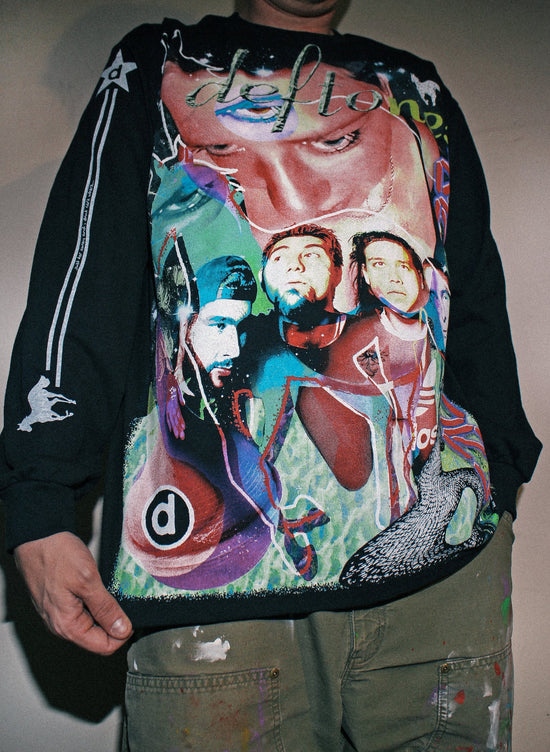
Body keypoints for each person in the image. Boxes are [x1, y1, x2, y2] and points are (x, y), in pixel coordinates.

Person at [0, 1, 541, 750]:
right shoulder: (159, 61)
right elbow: (85, 274)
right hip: (220, 586)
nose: (285, 196)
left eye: (339, 140)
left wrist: (500, 470)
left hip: (447, 578)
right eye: (224, 150)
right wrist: (38, 501)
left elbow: (472, 286)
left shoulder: (415, 85)